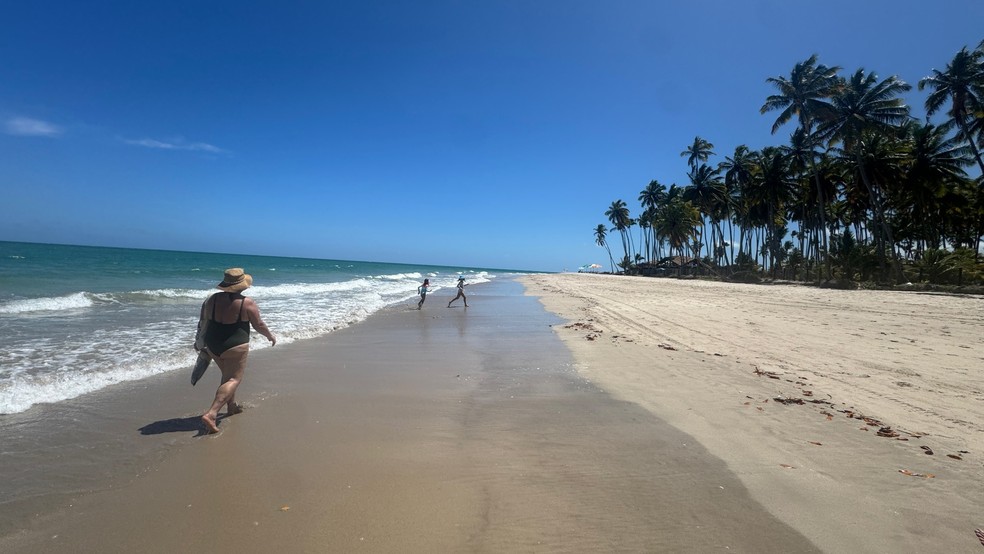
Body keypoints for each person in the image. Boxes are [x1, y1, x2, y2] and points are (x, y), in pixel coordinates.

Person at [198, 268, 276, 434]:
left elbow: (203, 320)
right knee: (234, 378)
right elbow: (259, 325)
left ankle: (231, 406)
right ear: (243, 285)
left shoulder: (212, 299)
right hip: (235, 345)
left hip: (213, 344)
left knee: (227, 377)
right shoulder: (246, 303)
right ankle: (211, 414)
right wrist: (270, 336)